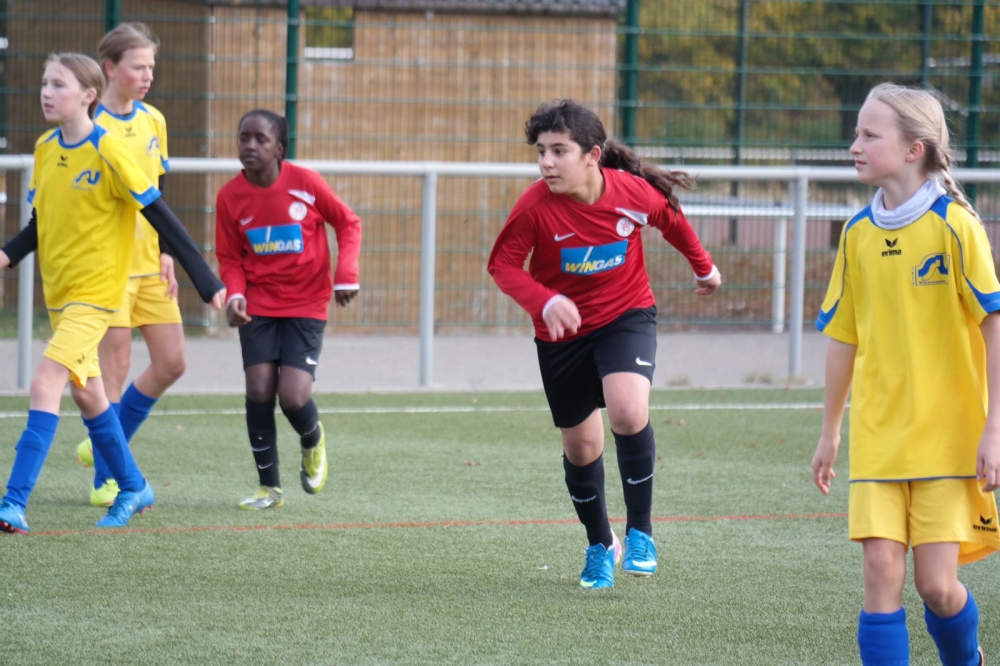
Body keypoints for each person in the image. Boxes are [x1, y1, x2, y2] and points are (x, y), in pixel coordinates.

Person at [487, 99, 721, 589]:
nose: (546, 162)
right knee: (582, 447)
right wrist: (545, 300)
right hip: (561, 337)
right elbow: (502, 266)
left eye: (559, 151)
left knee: (628, 412)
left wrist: (705, 267)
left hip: (625, 315)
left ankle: (641, 534)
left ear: (593, 155)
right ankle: (600, 544)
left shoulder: (631, 193)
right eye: (541, 151)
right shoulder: (533, 207)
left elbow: (671, 220)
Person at [811, 83, 999, 665]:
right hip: (879, 436)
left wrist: (993, 429)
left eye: (870, 135)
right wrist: (830, 431)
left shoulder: (955, 226)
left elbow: (993, 325)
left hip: (947, 438)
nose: (855, 146)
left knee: (937, 586)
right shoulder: (856, 234)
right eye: (856, 133)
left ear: (915, 149)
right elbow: (843, 337)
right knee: (880, 570)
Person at [0, 53, 225, 534]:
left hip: (97, 295)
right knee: (89, 396)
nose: (46, 92)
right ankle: (133, 486)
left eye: (58, 85)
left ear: (89, 95)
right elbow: (39, 225)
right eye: (44, 83)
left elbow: (161, 215)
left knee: (45, 381)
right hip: (59, 296)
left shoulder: (110, 150)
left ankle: (13, 503)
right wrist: (4, 256)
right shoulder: (45, 148)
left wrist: (208, 284)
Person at [215, 109, 362, 510]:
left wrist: (346, 274)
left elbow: (348, 223)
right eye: (244, 137)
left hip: (306, 302)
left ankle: (312, 439)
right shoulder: (229, 197)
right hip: (258, 304)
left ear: (279, 148)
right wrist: (235, 294)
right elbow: (230, 257)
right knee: (259, 388)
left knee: (293, 396)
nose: (250, 145)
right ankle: (269, 488)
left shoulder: (306, 183)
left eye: (260, 139)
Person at [71, 23, 188, 509]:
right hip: (110, 269)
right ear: (110, 68)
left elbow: (157, 193)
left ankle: (104, 440)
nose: (148, 75)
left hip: (150, 266)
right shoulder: (88, 126)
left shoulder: (154, 120)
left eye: (151, 67)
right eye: (139, 67)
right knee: (114, 370)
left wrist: (167, 252)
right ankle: (107, 478)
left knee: (172, 362)